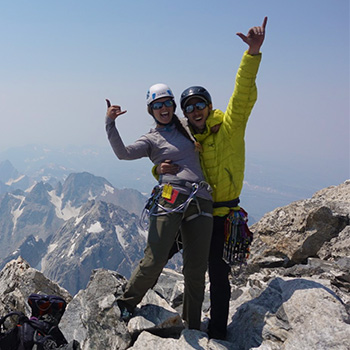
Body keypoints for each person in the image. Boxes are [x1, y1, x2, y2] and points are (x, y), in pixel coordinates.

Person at [155, 17, 267, 339]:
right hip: (192, 212)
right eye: (190, 108)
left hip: (222, 216)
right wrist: (157, 170)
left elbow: (243, 95)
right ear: (186, 114)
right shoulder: (186, 141)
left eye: (200, 104)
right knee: (159, 254)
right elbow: (162, 159)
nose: (196, 110)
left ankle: (217, 334)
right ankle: (138, 301)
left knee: (218, 276)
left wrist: (252, 54)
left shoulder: (230, 128)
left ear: (209, 106)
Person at [105, 83, 213, 330]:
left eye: (166, 103)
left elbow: (207, 122)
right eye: (157, 105)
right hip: (170, 196)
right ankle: (126, 304)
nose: (163, 108)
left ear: (173, 105)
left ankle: (193, 327)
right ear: (151, 110)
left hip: (201, 199)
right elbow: (123, 153)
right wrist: (110, 123)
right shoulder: (151, 139)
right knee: (154, 259)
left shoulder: (187, 127)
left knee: (196, 270)